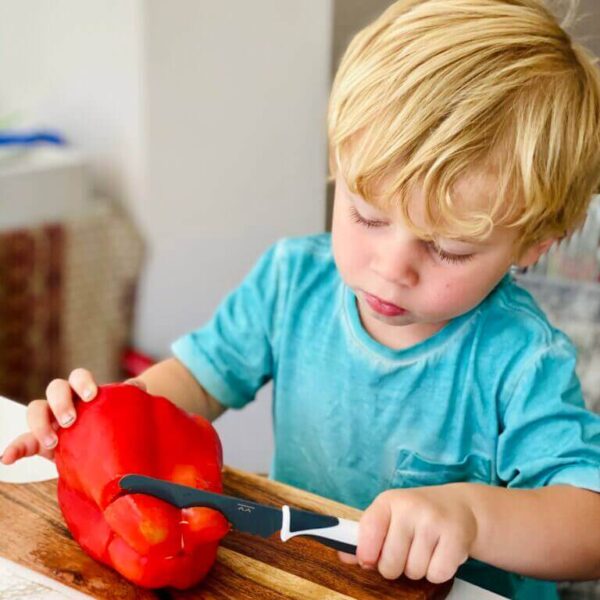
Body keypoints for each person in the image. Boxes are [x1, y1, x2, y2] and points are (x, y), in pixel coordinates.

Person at [3, 0, 600, 597]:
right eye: (367, 216)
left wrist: (474, 517)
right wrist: (97, 421)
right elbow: (196, 383)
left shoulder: (520, 358)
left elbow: (589, 527)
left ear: (531, 246)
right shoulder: (293, 280)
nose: (391, 269)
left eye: (450, 249)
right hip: (301, 577)